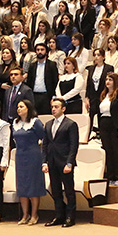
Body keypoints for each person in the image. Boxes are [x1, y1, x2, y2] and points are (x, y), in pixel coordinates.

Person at [41, 97, 79, 228]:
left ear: (63, 109)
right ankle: (59, 215)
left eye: (56, 107)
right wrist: (44, 162)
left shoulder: (71, 124)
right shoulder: (48, 124)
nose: (53, 109)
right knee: (55, 190)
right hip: (51, 162)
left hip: (64, 162)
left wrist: (70, 163)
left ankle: (70, 216)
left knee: (69, 191)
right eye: (52, 107)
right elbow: (45, 144)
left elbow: (74, 145)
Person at [96, 71, 118, 186]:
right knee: (108, 151)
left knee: (117, 151)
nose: (107, 82)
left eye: (110, 80)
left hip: (116, 124)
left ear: (115, 81)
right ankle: (110, 177)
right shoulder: (103, 95)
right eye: (106, 80)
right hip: (105, 125)